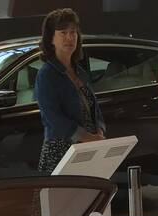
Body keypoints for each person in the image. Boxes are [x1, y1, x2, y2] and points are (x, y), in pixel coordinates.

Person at [36, 9, 105, 174]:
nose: (69, 37)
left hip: (88, 149)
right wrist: (87, 138)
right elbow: (53, 117)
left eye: (73, 32)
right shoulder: (46, 74)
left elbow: (94, 107)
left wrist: (99, 132)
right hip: (61, 151)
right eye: (63, 33)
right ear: (51, 38)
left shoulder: (79, 71)